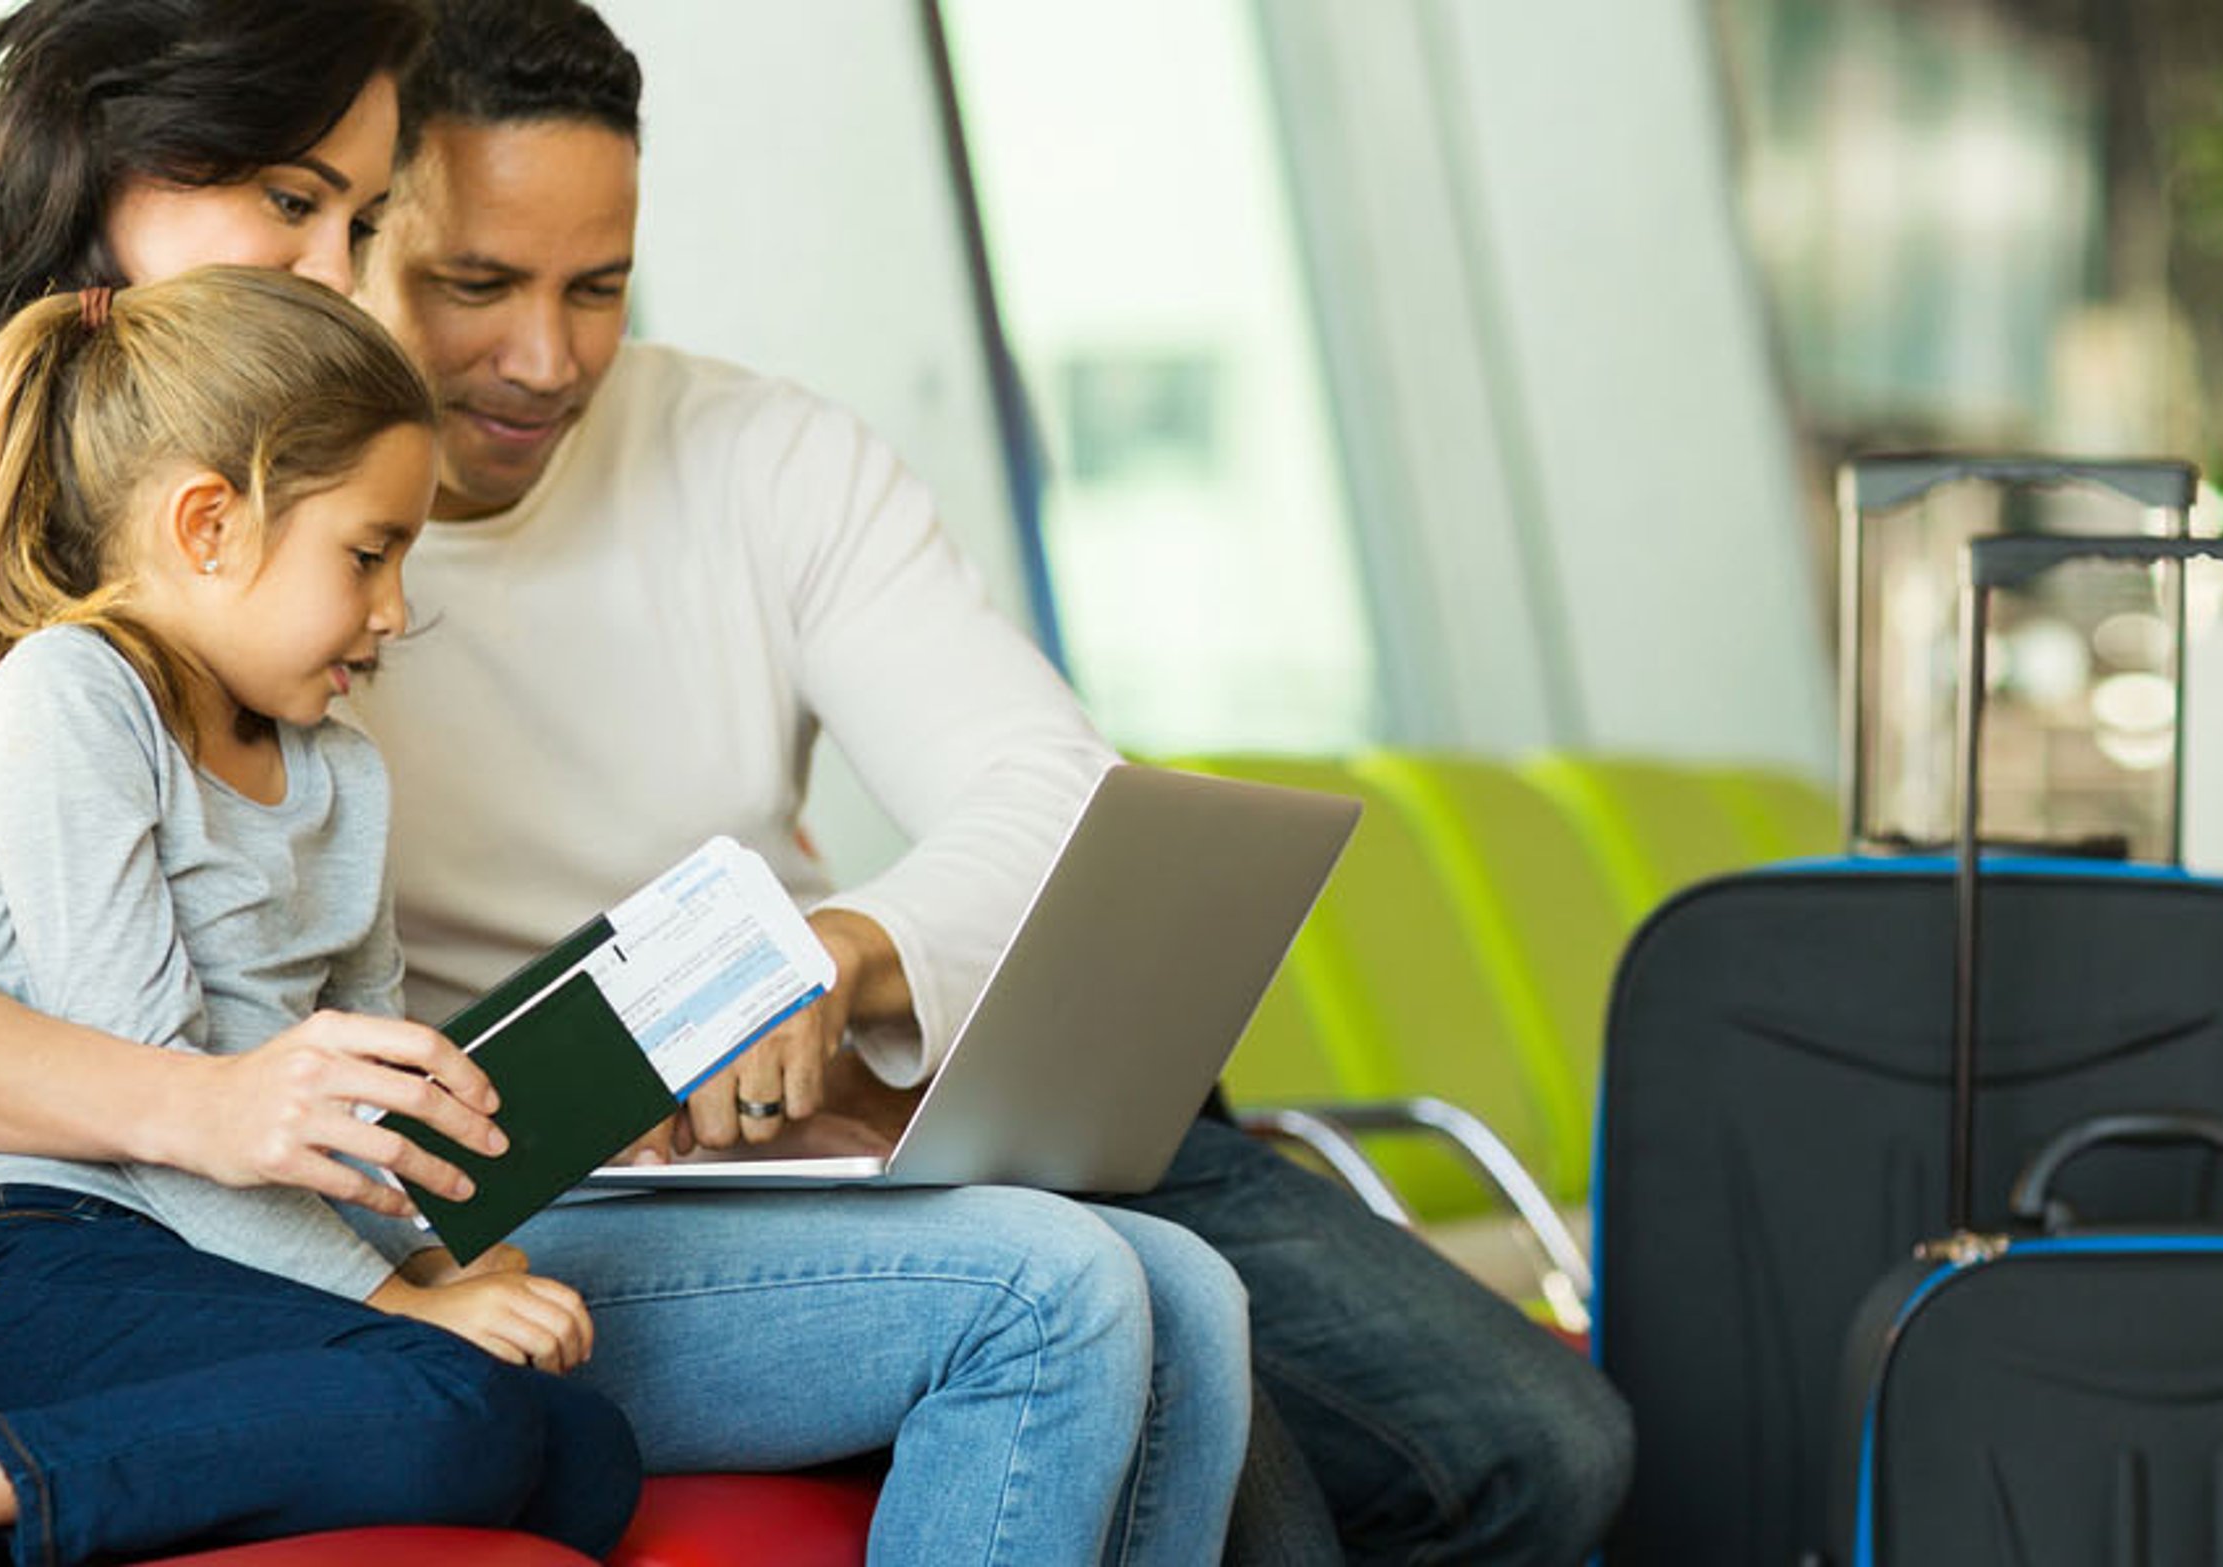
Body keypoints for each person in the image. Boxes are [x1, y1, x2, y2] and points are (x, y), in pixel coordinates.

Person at [0, 4, 1252, 1562]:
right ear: (108, 166)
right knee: (1054, 1291)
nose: (344, 273)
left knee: (1186, 1291)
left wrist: (627, 1088)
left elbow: (358, 1044)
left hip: (360, 1208)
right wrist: (242, 1128)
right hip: (134, 1235)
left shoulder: (310, 680)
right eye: (291, 204)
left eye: (365, 217)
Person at [344, 3, 1636, 1562]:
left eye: (596, 288)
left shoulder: (758, 452)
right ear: (347, 234)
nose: (544, 360)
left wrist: (849, 954)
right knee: (1235, 1463)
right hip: (614, 1186)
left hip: (895, 1110)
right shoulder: (283, 550)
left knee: (1549, 1449)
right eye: (473, 285)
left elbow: (1053, 789)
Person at [0, 265, 640, 1564]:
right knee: (454, 1402)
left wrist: (445, 1269)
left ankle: (44, 1502)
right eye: (370, 554)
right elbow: (153, 1115)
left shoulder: (342, 770)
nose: (396, 612)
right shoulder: (73, 698)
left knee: (584, 1449)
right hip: (19, 1263)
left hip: (221, 1266)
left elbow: (370, 1127)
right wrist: (405, 1312)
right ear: (208, 525)